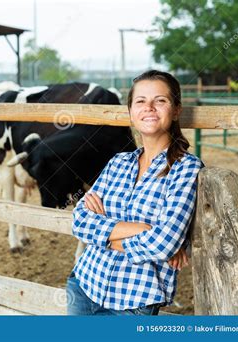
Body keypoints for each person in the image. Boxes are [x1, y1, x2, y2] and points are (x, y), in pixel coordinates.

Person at [67, 70, 205, 315]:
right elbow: (80, 220)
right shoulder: (118, 162)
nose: (149, 107)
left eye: (160, 100)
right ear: (131, 111)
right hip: (84, 285)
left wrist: (105, 232)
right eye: (140, 101)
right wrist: (143, 230)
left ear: (176, 111)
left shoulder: (186, 168)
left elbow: (164, 244)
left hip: (133, 301)